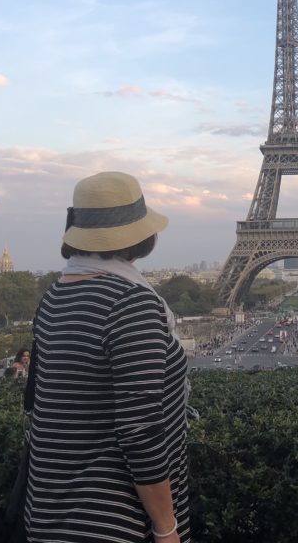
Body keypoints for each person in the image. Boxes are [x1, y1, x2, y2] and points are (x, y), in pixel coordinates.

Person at [24, 171, 190, 542]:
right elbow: (140, 430)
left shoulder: (53, 298)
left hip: (51, 514)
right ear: (141, 236)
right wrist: (166, 528)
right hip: (115, 522)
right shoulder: (131, 303)